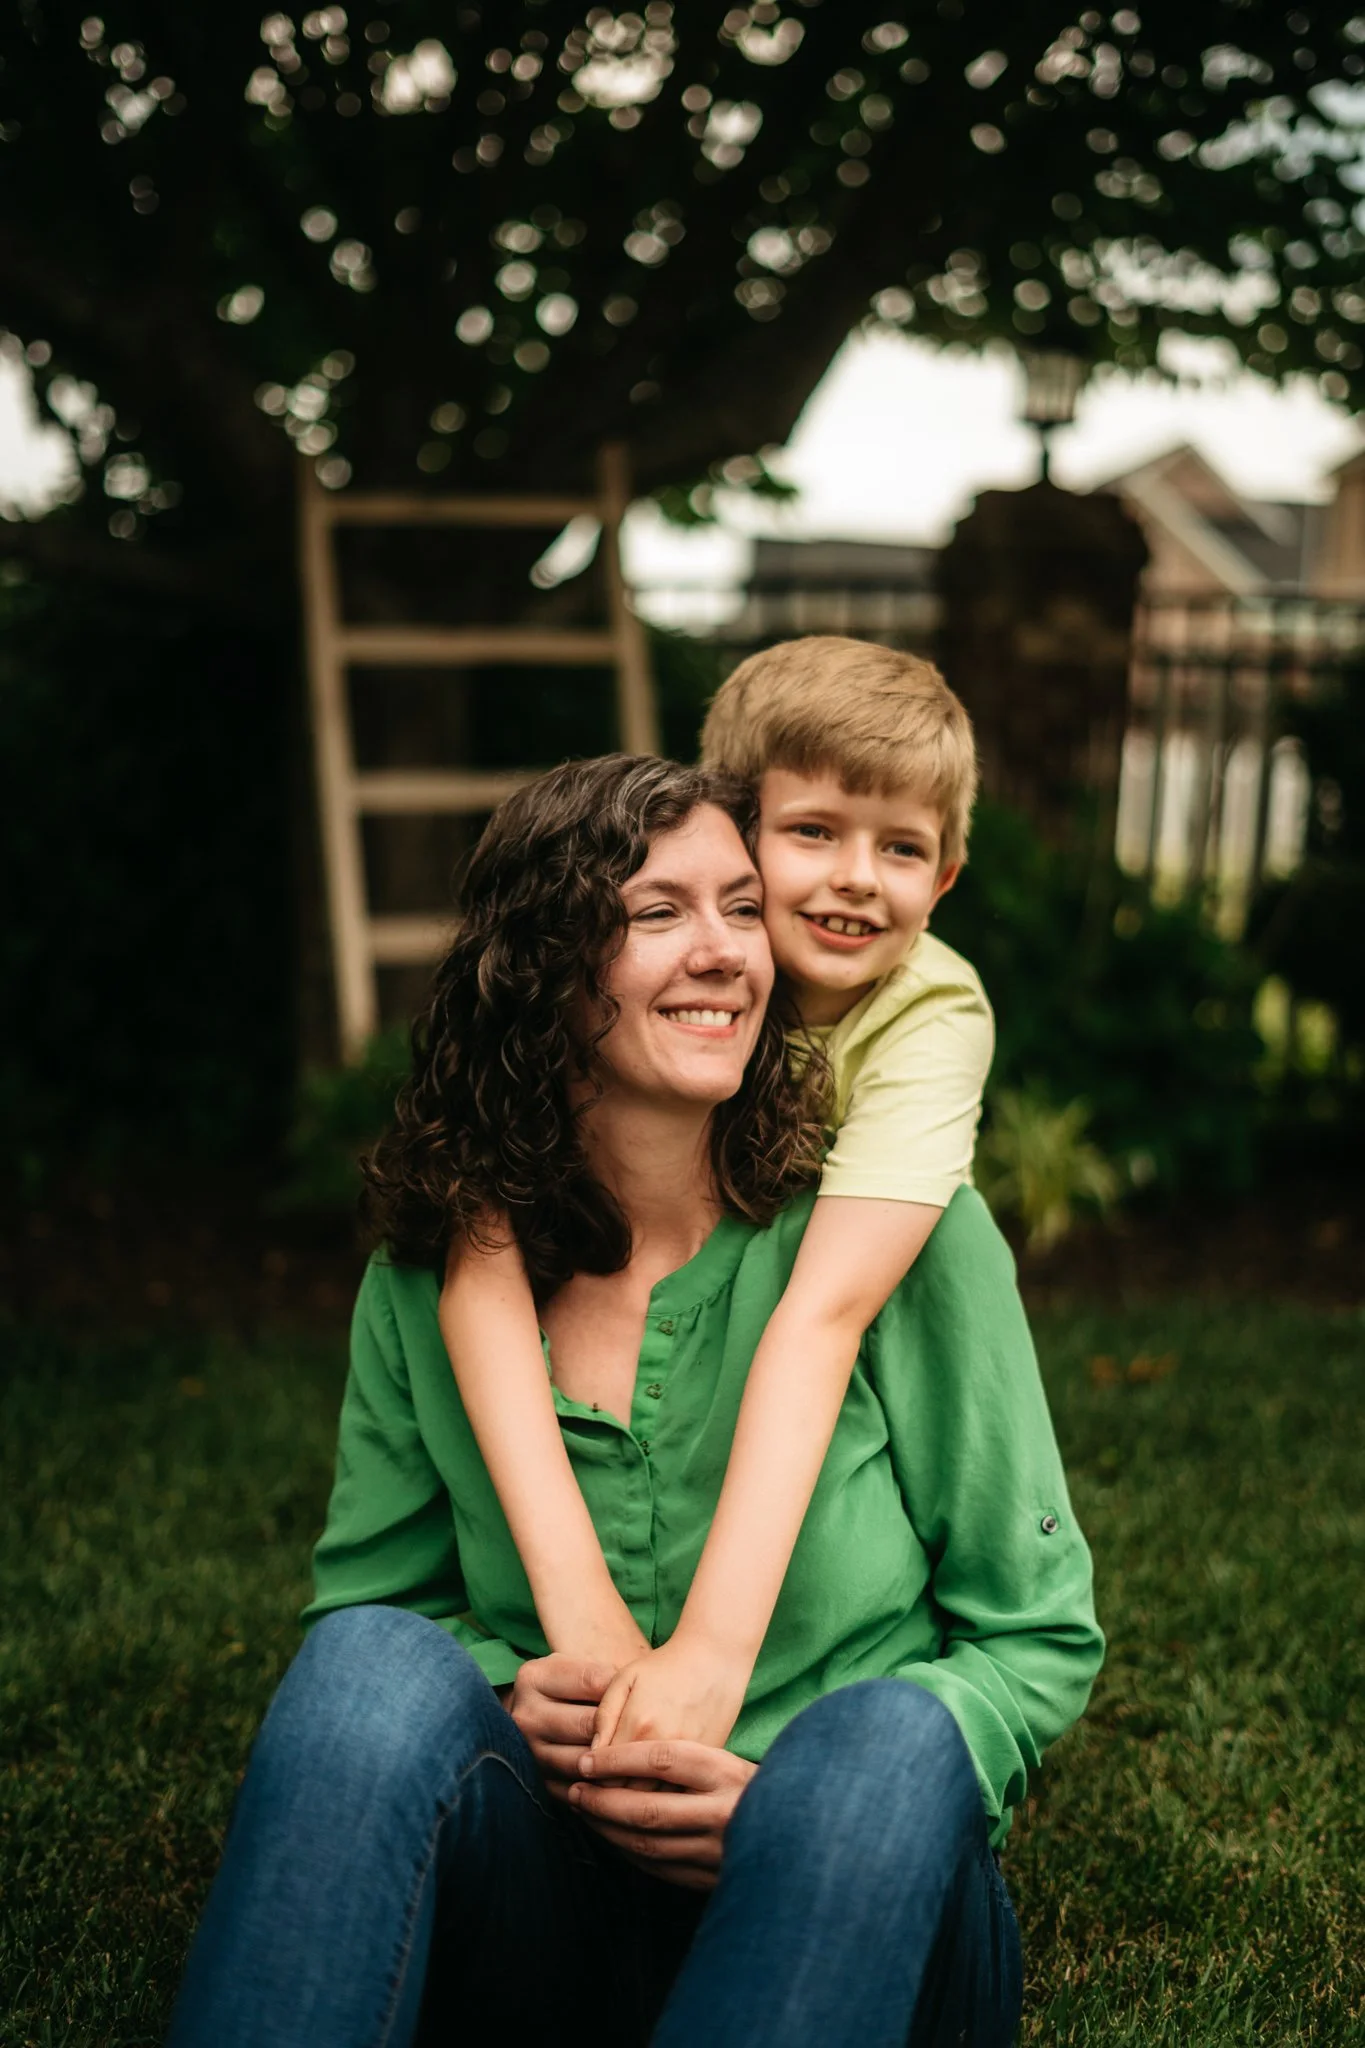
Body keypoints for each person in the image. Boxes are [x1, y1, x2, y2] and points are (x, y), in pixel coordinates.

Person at [167, 754, 1102, 2048]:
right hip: (552, 1891)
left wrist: (796, 1811)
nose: (724, 950)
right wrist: (508, 1693)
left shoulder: (905, 1239)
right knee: (368, 1671)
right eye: (659, 911)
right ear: (542, 969)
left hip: (855, 1903)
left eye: (740, 907)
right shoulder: (427, 1281)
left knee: (883, 1739)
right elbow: (382, 1602)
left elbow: (1035, 1635)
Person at [438, 638, 996, 1752]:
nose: (855, 876)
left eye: (900, 847)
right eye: (813, 832)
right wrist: (582, 1621)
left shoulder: (928, 1014)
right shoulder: (713, 954)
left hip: (811, 1292)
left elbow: (824, 1315)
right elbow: (479, 1261)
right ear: (734, 831)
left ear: (943, 878)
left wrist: (710, 1654)